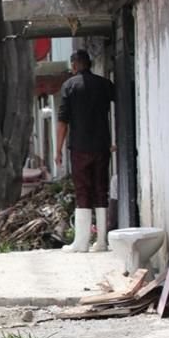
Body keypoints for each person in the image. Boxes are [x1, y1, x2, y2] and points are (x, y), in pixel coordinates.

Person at [56, 49, 115, 253]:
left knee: (83, 190)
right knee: (101, 190)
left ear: (74, 65)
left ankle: (81, 242)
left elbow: (63, 121)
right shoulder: (104, 84)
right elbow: (119, 108)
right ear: (89, 64)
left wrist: (58, 150)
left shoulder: (69, 86)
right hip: (101, 146)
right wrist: (114, 139)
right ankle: (102, 242)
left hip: (80, 148)